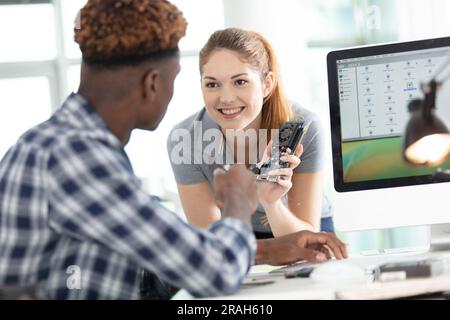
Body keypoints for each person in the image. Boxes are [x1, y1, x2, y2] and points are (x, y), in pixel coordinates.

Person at [0, 0, 261, 300]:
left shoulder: (51, 142)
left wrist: (266, 249)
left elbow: (152, 252)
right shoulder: (78, 157)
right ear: (152, 83)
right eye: (174, 79)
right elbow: (218, 273)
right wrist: (238, 202)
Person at [167, 28, 341, 263]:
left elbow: (302, 243)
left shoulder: (304, 127)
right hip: (233, 233)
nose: (226, 98)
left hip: (297, 226)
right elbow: (212, 249)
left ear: (267, 84)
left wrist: (271, 202)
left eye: (240, 82)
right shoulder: (186, 139)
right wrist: (266, 251)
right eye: (212, 84)